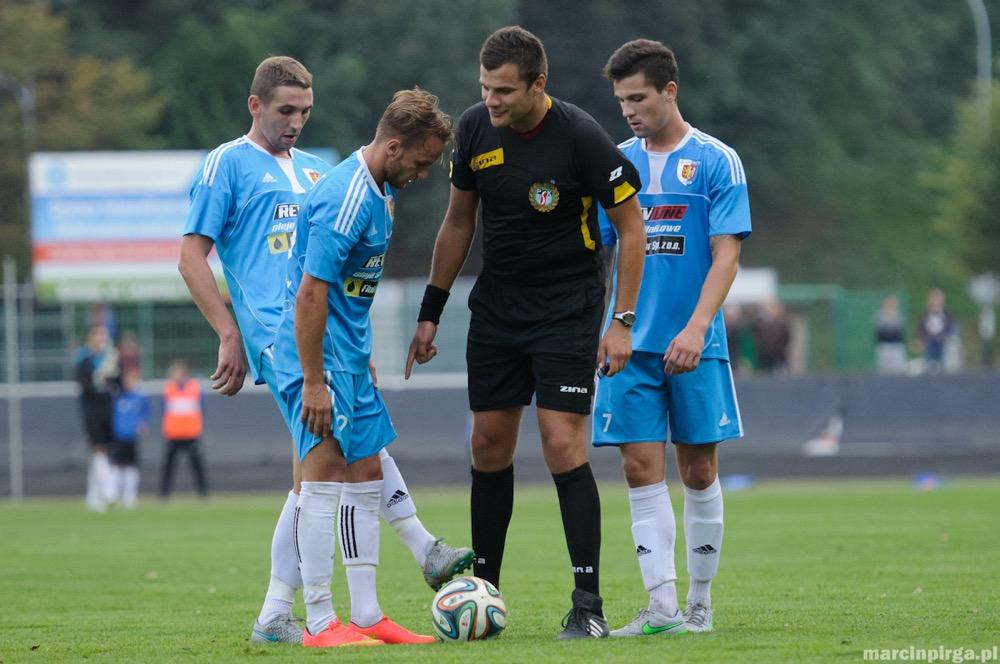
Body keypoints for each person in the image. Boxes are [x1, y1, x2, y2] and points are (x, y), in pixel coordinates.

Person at [178, 57, 471, 645]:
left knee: (329, 470)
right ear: (254, 105)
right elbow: (192, 257)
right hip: (278, 334)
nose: (296, 123)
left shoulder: (320, 172)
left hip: (331, 340)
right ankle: (353, 593)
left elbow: (339, 282)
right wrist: (229, 332)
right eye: (285, 110)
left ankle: (287, 615)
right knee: (324, 469)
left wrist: (355, 349)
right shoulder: (228, 164)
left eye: (305, 112)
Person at [405, 26, 646, 639]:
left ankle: (587, 605)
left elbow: (632, 227)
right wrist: (431, 310)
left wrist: (621, 323)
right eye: (485, 88)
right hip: (497, 309)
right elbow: (458, 223)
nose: (491, 101)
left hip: (567, 308)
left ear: (540, 84)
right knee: (487, 447)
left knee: (562, 444)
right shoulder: (476, 130)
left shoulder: (581, 136)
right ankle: (484, 592)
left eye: (504, 91)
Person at [272, 88, 453, 647]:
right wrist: (314, 381)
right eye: (422, 162)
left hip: (348, 358)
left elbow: (350, 290)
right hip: (317, 361)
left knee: (368, 476)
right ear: (394, 147)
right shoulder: (346, 197)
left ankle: (369, 616)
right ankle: (320, 622)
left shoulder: (381, 191)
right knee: (322, 482)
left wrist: (360, 353)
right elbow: (310, 295)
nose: (425, 173)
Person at [593, 39, 751, 637]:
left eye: (638, 98)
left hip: (694, 343)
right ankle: (661, 608)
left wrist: (697, 327)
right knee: (638, 467)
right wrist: (604, 327)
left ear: (669, 91)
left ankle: (700, 603)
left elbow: (726, 254)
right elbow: (601, 257)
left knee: (700, 472)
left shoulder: (716, 161)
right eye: (621, 101)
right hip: (628, 346)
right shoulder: (615, 162)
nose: (629, 110)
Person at [74, 325, 120, 512]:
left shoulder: (110, 358)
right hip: (92, 409)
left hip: (107, 408)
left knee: (104, 451)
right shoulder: (84, 360)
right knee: (98, 448)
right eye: (97, 335)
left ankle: (93, 496)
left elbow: (120, 383)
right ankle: (109, 490)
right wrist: (98, 377)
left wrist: (113, 373)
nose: (101, 339)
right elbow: (83, 384)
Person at [158, 359, 209, 499]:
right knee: (168, 466)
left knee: (196, 466)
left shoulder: (194, 387)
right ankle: (164, 494)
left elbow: (200, 409)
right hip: (173, 433)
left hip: (190, 433)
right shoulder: (169, 388)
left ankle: (203, 492)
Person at [110, 368, 150, 508]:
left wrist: (143, 425)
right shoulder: (118, 397)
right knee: (116, 467)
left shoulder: (140, 398)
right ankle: (113, 495)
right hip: (118, 437)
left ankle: (130, 497)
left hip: (132, 437)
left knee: (131, 468)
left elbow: (145, 413)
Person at [918, 287, 955, 374]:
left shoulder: (946, 313)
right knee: (928, 363)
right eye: (934, 298)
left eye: (938, 298)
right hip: (929, 340)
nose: (936, 301)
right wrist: (919, 339)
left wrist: (945, 335)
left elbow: (951, 327)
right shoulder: (926, 313)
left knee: (942, 363)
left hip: (942, 340)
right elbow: (921, 328)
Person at [874, 295, 906, 374]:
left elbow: (900, 331)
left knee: (898, 369)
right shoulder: (879, 316)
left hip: (896, 346)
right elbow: (879, 331)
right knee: (883, 370)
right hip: (884, 345)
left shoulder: (899, 316)